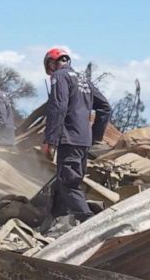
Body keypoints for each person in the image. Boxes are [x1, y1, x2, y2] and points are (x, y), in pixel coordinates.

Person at [43, 47, 111, 222]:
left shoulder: (60, 76)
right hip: (83, 140)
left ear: (52, 63)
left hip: (69, 137)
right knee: (65, 180)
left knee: (68, 183)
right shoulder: (83, 80)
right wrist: (94, 136)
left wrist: (51, 140)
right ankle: (55, 219)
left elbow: (58, 106)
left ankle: (89, 223)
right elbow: (105, 107)